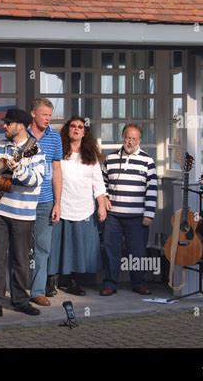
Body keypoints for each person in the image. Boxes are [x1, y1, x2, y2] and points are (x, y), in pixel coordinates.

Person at [0, 108, 45, 317]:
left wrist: (18, 169)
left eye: (8, 123)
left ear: (20, 126)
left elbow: (36, 180)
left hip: (23, 213)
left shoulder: (36, 150)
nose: (4, 126)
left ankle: (21, 300)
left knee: (21, 258)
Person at [48, 117, 107, 296]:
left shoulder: (90, 156)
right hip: (61, 205)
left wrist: (102, 205)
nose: (76, 129)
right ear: (67, 129)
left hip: (83, 207)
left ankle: (69, 281)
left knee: (76, 246)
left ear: (84, 132)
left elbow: (98, 182)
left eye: (80, 127)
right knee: (56, 246)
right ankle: (49, 282)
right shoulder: (59, 151)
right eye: (73, 126)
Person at [100, 123, 157, 296]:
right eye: (127, 137)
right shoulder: (110, 159)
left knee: (138, 252)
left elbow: (152, 189)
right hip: (113, 216)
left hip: (137, 217)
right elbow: (102, 184)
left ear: (140, 140)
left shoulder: (148, 161)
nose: (130, 142)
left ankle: (138, 283)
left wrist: (149, 214)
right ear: (123, 137)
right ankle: (110, 283)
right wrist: (105, 197)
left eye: (134, 138)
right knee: (111, 250)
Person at [28, 98, 63, 307]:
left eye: (50, 115)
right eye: (44, 114)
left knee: (43, 247)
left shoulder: (55, 137)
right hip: (22, 202)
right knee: (20, 248)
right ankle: (17, 290)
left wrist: (58, 203)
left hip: (45, 201)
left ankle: (38, 291)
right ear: (33, 114)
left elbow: (57, 170)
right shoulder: (22, 135)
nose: (47, 119)